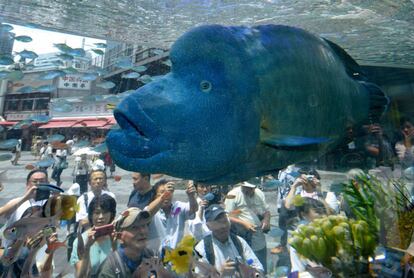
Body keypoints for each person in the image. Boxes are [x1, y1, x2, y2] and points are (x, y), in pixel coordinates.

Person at [194, 204, 264, 277]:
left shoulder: (238, 241)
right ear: (208, 226)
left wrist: (254, 272)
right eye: (218, 223)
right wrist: (222, 274)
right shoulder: (202, 249)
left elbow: (254, 264)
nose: (223, 226)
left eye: (224, 221)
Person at [224, 181, 270, 273]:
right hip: (241, 235)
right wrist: (244, 223)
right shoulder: (233, 194)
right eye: (245, 187)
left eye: (250, 188)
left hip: (258, 234)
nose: (247, 190)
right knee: (245, 263)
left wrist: (266, 220)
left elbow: (266, 211)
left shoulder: (259, 194)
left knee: (260, 262)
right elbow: (227, 216)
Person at [97, 207, 154, 278]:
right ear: (120, 236)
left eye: (144, 225)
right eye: (134, 227)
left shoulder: (151, 256)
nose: (142, 232)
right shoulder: (111, 267)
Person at [70, 194, 117, 278]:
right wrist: (87, 247)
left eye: (105, 212)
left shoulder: (117, 237)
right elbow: (82, 276)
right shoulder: (80, 241)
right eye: (97, 213)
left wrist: (114, 246)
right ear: (91, 215)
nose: (101, 217)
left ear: (112, 214)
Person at [0, 169, 49, 248]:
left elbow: (53, 228)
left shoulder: (52, 203)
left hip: (39, 254)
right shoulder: (17, 202)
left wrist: (42, 235)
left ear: (48, 183)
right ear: (27, 184)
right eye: (35, 181)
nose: (39, 184)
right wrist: (26, 198)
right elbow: (2, 213)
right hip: (12, 254)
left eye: (42, 181)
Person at [151, 179, 198, 251]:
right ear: (155, 196)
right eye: (162, 192)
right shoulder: (153, 212)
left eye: (169, 192)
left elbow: (194, 209)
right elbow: (146, 213)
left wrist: (191, 196)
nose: (166, 195)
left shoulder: (178, 208)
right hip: (156, 259)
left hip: (176, 257)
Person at [289, 197, 328, 272]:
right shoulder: (300, 235)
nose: (323, 215)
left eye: (324, 211)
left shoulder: (321, 230)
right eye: (318, 212)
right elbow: (299, 267)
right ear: (303, 214)